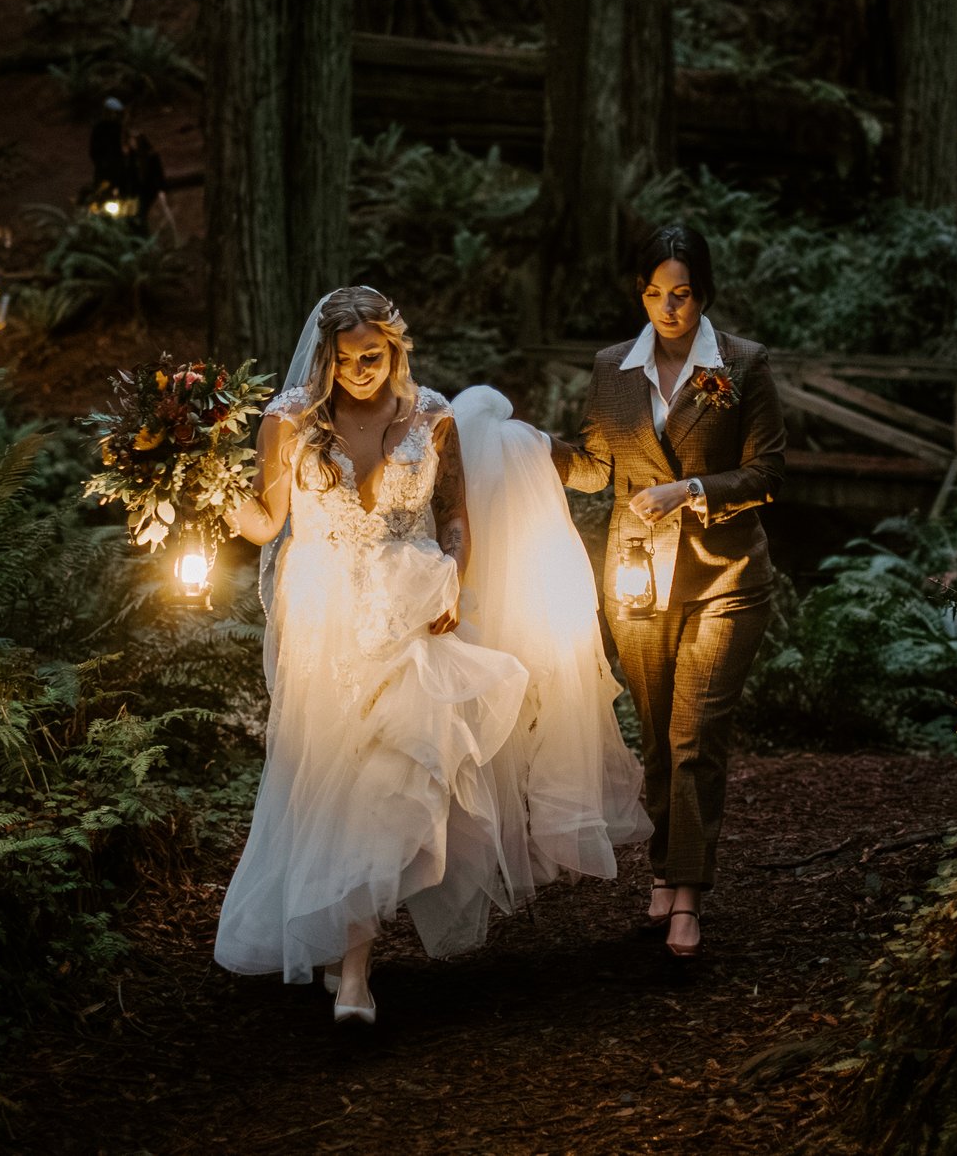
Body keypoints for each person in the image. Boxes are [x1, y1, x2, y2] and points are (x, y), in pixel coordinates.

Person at [212, 286, 644, 1023]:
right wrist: (209, 483)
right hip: (324, 621)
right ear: (324, 357)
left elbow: (455, 518)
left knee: (393, 777)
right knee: (330, 779)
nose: (360, 372)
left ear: (395, 350)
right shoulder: (289, 420)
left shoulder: (432, 417)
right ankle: (340, 938)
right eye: (345, 360)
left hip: (412, 612)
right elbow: (265, 521)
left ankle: (355, 971)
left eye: (372, 357)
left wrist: (452, 572)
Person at [550, 225, 786, 958]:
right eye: (654, 293)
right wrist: (537, 452)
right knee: (655, 733)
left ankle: (688, 890)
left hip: (725, 577)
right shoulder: (611, 368)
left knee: (694, 733)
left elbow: (768, 473)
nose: (668, 308)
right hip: (638, 579)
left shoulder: (743, 364)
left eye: (681, 293)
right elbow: (598, 467)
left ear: (703, 292)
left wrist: (690, 491)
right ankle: (663, 869)